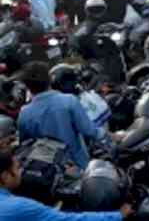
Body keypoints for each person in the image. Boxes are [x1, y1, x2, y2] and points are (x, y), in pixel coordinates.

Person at [17, 61, 106, 170]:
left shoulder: (24, 114)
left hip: (49, 173)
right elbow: (90, 131)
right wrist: (109, 135)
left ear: (27, 87)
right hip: (78, 166)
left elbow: (26, 145)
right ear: (50, 80)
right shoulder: (69, 101)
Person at [0, 150, 132, 221]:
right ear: (5, 176)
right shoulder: (19, 207)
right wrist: (118, 215)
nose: (21, 172)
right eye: (17, 168)